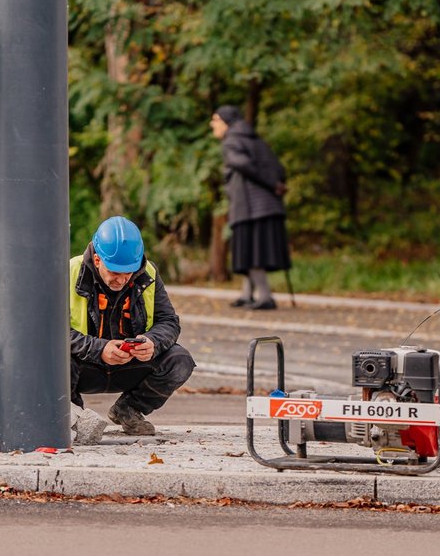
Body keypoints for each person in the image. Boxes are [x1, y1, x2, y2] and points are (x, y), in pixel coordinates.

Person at [69, 216, 195, 439]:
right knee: (55, 360)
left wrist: (152, 343)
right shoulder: (68, 273)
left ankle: (128, 409)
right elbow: (48, 333)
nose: (123, 280)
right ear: (97, 260)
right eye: (115, 273)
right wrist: (99, 349)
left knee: (180, 360)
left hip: (128, 363)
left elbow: (168, 321)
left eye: (128, 272)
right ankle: (74, 418)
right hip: (82, 364)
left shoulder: (148, 274)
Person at [210, 105, 291, 310]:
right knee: (253, 251)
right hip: (266, 205)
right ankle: (247, 294)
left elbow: (243, 165)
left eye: (216, 119)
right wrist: (275, 184)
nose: (212, 124)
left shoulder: (232, 141)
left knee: (252, 252)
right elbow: (278, 168)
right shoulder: (255, 140)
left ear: (226, 122)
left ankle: (265, 297)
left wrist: (273, 184)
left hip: (250, 207)